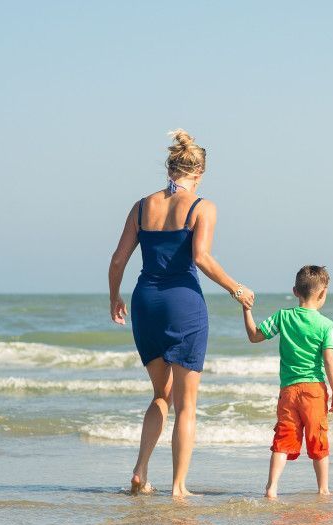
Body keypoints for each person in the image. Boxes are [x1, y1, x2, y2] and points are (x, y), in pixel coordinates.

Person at [108, 129, 253, 497]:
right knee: (186, 406)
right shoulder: (203, 206)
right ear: (199, 173)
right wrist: (236, 289)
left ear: (170, 167)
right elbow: (201, 257)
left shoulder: (141, 206)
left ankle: (140, 470)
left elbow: (118, 259)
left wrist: (115, 298)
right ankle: (178, 487)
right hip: (182, 304)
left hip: (145, 302)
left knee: (161, 394)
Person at [241, 266, 333, 498]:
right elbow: (328, 359)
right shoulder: (326, 325)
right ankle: (323, 489)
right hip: (314, 390)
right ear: (323, 293)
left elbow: (254, 336)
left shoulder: (283, 317)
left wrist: (246, 310)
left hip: (288, 391)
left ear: (295, 291)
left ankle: (271, 488)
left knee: (283, 438)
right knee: (318, 438)